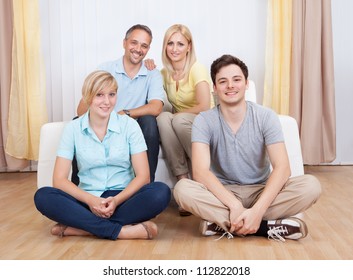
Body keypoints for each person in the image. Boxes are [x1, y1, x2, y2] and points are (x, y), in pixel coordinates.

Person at [173, 54, 321, 241]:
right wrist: (234, 206)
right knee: (182, 189)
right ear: (215, 88)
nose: (230, 86)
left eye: (236, 80)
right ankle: (265, 227)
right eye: (223, 81)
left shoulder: (266, 116)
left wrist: (258, 210)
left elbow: (282, 168)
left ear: (246, 83)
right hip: (223, 193)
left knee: (311, 186)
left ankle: (223, 224)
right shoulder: (204, 120)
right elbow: (201, 172)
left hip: (261, 189)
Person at [34, 70, 171, 240]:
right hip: (87, 199)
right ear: (88, 97)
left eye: (111, 94)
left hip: (123, 199)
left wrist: (116, 201)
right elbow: (59, 180)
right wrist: (91, 201)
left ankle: (82, 228)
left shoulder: (129, 126)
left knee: (161, 192)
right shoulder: (73, 128)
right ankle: (121, 231)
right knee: (43, 196)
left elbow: (143, 176)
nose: (107, 101)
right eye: (99, 95)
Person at [76, 24, 165, 183]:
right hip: (106, 124)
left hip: (134, 128)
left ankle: (146, 185)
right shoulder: (106, 69)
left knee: (150, 122)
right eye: (134, 43)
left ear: (148, 49)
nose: (138, 49)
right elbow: (81, 110)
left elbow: (156, 107)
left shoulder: (152, 73)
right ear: (124, 43)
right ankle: (79, 188)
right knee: (78, 123)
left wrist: (126, 113)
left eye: (144, 46)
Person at [156, 24, 214, 216]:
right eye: (170, 43)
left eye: (180, 44)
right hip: (178, 123)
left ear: (189, 46)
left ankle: (202, 181)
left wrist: (179, 115)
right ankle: (183, 181)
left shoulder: (197, 68)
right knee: (164, 118)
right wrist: (146, 66)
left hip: (203, 123)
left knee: (176, 120)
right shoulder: (164, 74)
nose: (174, 48)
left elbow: (205, 106)